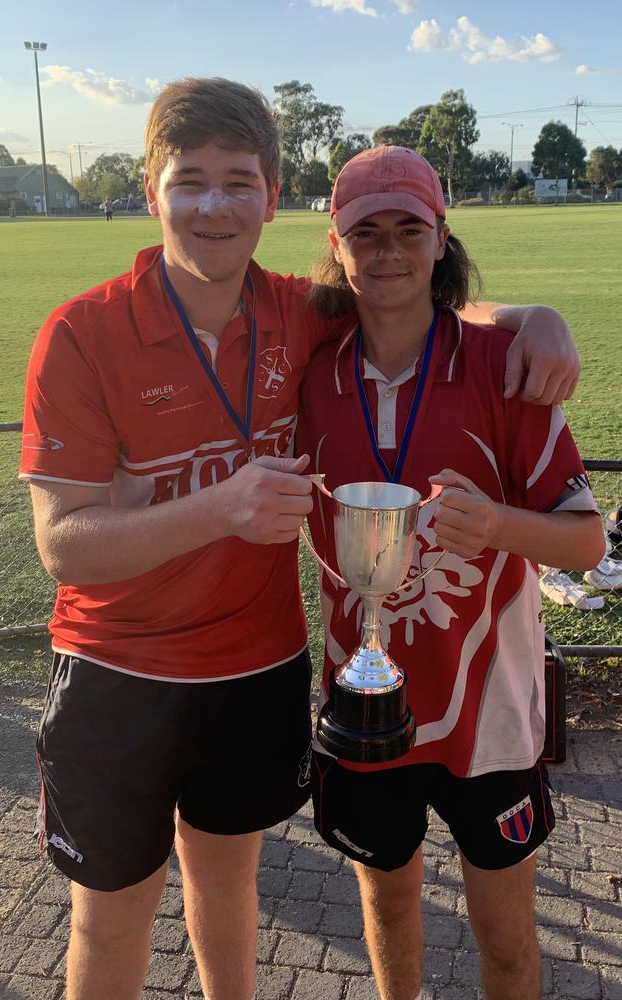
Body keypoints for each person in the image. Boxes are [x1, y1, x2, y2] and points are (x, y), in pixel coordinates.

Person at [19, 78, 582, 1000]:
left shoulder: (298, 315)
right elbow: (62, 549)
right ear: (150, 186)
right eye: (189, 179)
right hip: (120, 674)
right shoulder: (82, 333)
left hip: (255, 666)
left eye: (239, 180)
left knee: (226, 885)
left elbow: (409, 301)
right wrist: (220, 509)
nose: (214, 205)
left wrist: (532, 318)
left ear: (272, 198)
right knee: (109, 915)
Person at [297, 144, 605, 1000]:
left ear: (441, 239)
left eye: (410, 229)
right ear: (336, 240)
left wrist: (501, 525)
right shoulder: (310, 375)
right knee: (389, 909)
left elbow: (587, 545)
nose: (389, 251)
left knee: (504, 938)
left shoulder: (504, 372)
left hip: (491, 719)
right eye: (368, 232)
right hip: (366, 710)